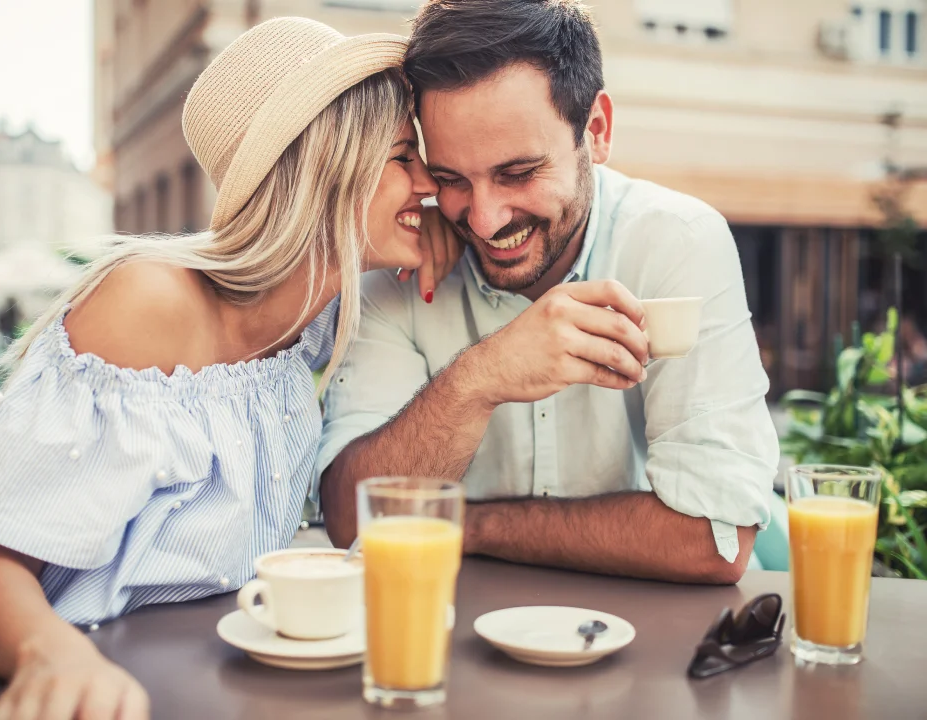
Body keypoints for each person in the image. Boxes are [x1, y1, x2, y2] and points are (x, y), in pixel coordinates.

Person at [0, 18, 457, 720]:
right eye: (406, 158)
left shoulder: (312, 317)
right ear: (328, 163)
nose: (430, 185)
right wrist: (54, 654)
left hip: (161, 689)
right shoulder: (148, 302)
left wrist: (429, 231)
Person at [317, 0, 780, 585]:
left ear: (598, 130)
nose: (483, 220)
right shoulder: (399, 267)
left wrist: (463, 525)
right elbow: (350, 523)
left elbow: (714, 540)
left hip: (651, 645)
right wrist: (478, 378)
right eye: (453, 179)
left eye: (518, 173)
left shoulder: (678, 242)